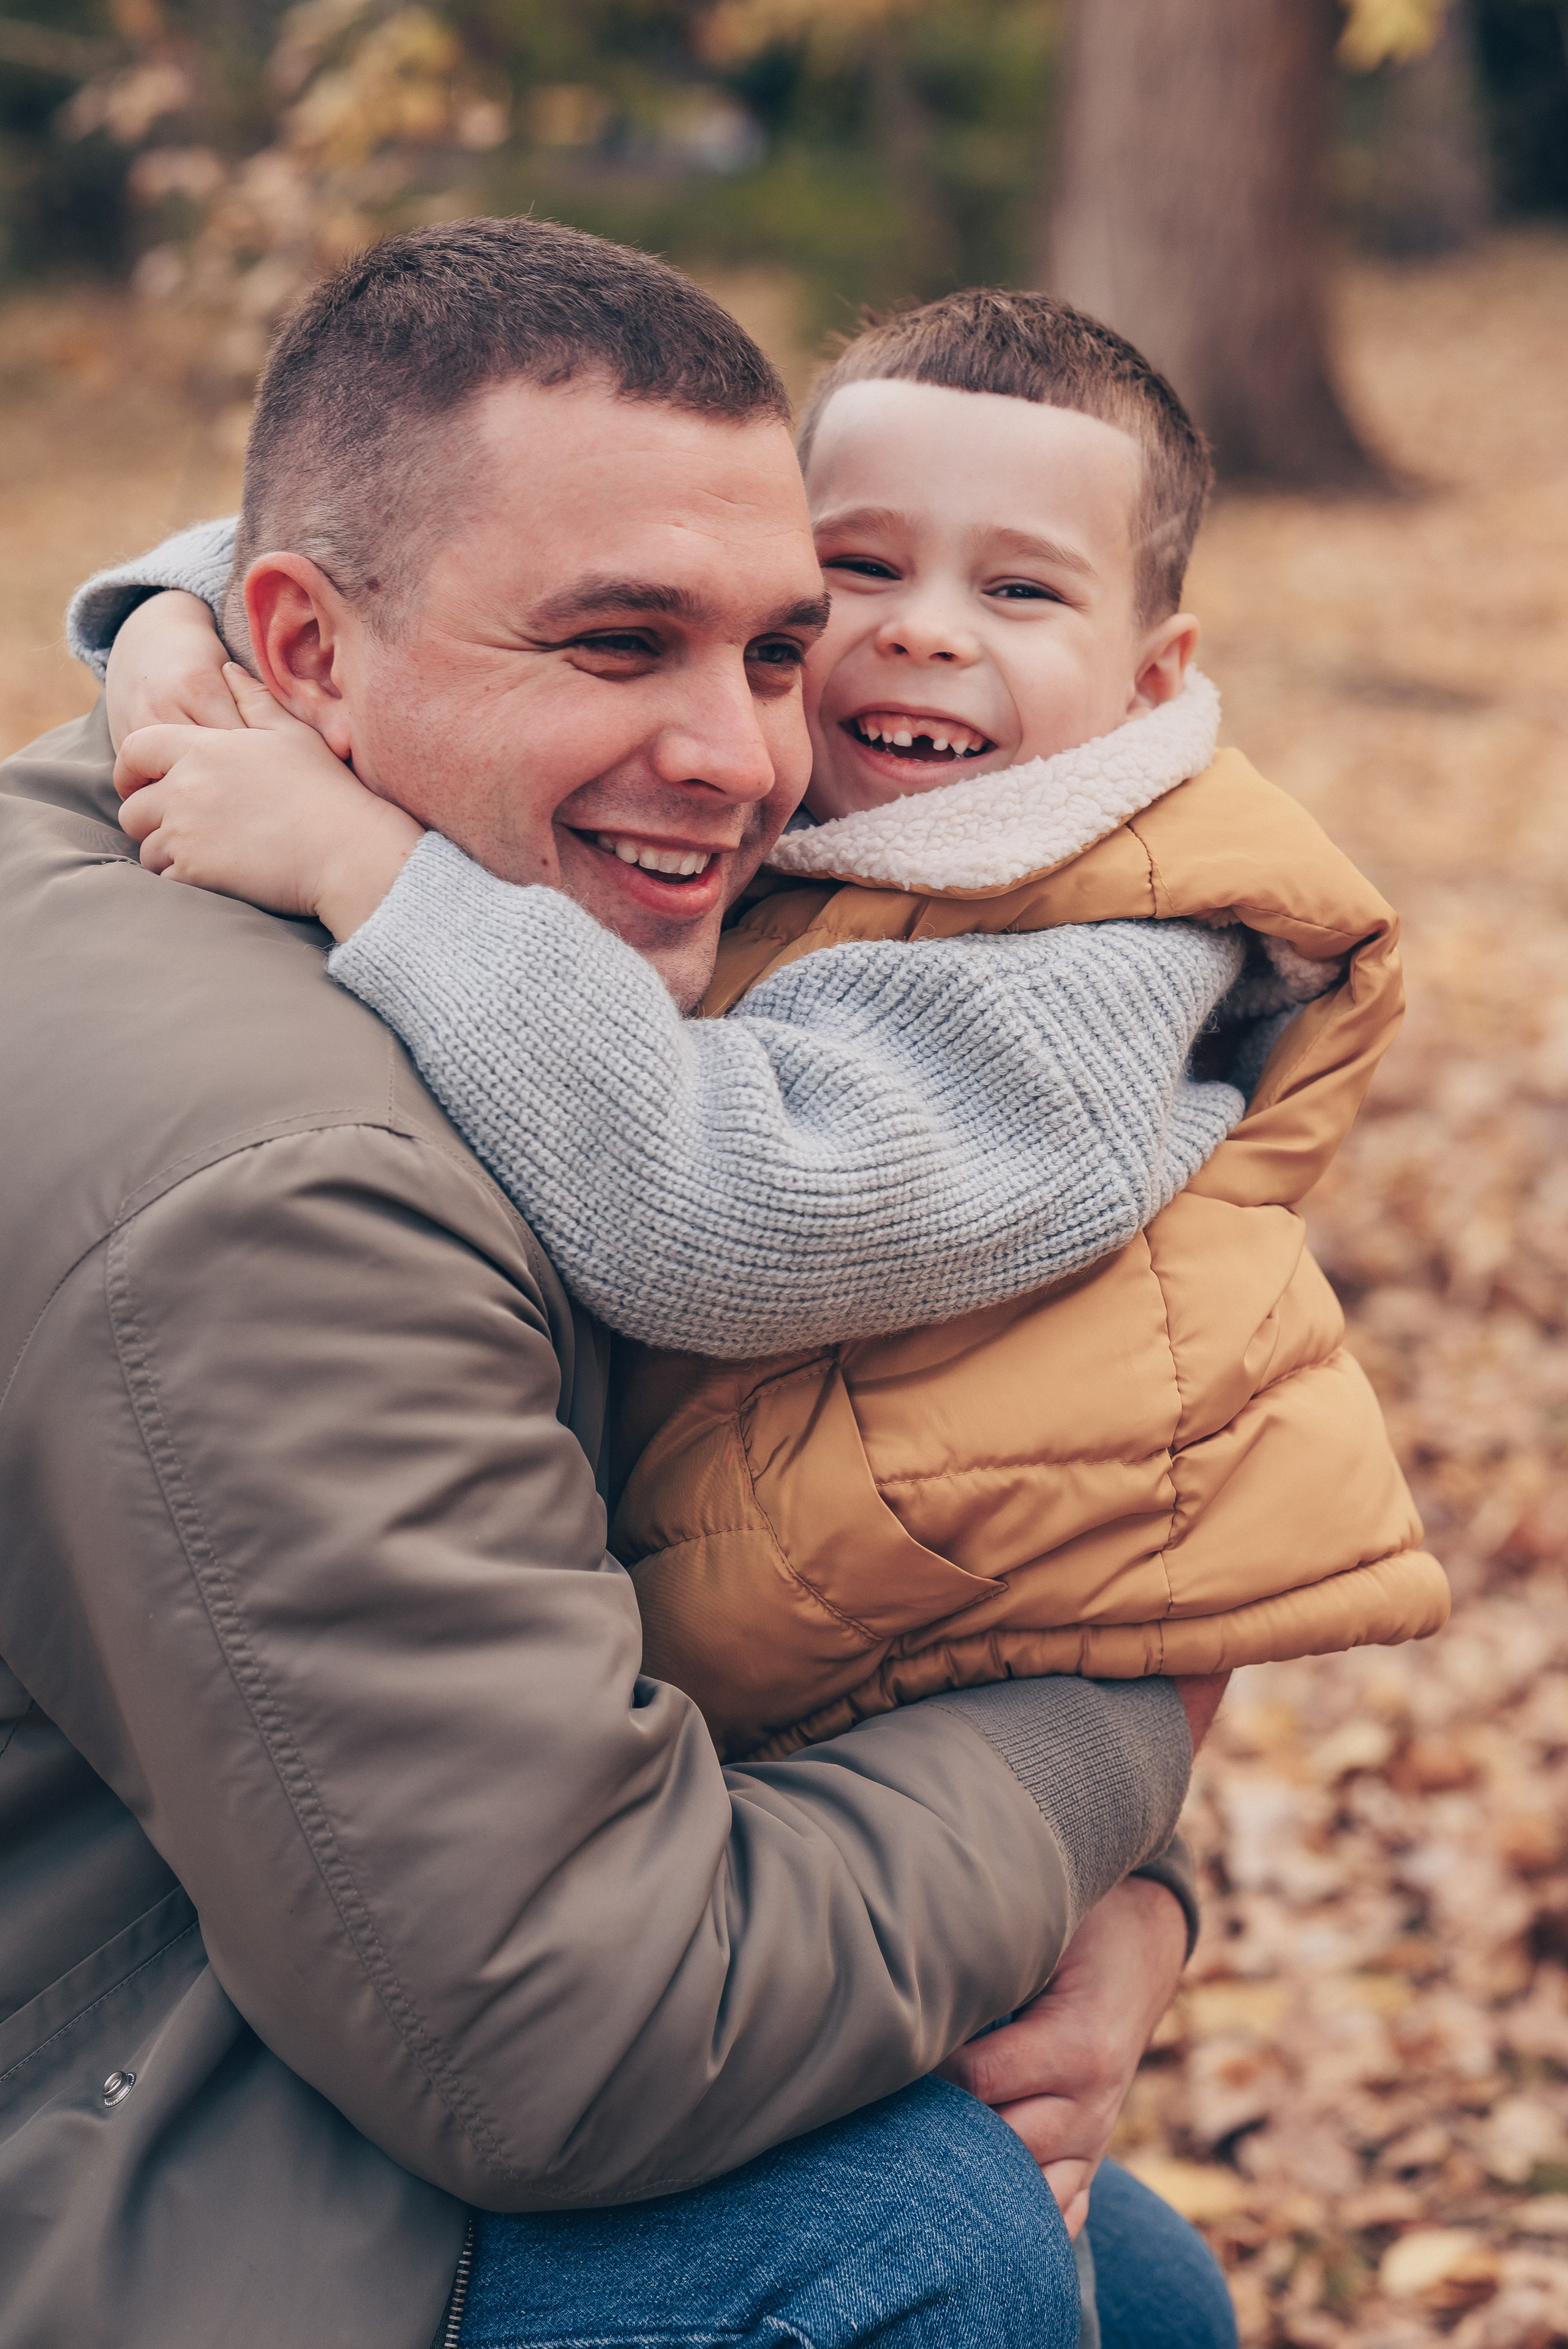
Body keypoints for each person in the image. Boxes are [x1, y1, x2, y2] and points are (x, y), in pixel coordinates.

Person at [2, 218, 1232, 2349]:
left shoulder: (267, 795)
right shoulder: (291, 1185)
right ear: (299, 650)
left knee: (1137, 2275)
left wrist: (1132, 1911)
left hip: (243, 1924)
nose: (753, 762)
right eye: (616, 643)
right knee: (928, 2244)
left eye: (774, 648)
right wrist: (1099, 1767)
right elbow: (572, 2037)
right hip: (109, 2110)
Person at [95, 288, 1448, 1773]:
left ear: (1151, 676)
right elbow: (443, 551)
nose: (922, 632)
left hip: (906, 1712)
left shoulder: (1102, 974)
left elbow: (722, 1207)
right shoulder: (819, 788)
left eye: (1020, 593)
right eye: (857, 566)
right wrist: (175, 618)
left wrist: (366, 869)